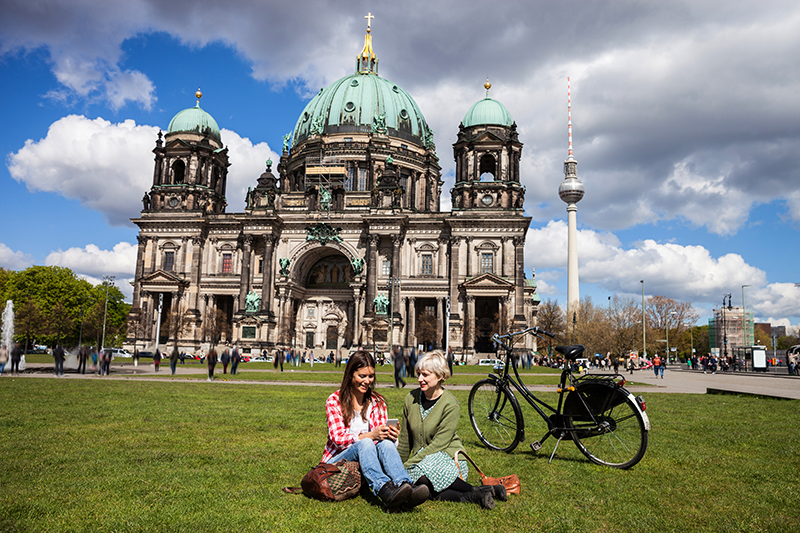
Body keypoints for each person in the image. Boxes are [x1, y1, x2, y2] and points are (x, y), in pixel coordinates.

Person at [397, 351, 504, 509]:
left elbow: (440, 443)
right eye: (418, 374)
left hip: (447, 459)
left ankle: (476, 491)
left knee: (422, 474)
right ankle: (478, 494)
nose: (419, 379)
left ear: (440, 375)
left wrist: (409, 465)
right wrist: (398, 466)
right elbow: (405, 440)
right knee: (421, 484)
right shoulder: (410, 398)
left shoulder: (451, 404)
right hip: (421, 461)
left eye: (425, 375)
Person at [322, 350, 428, 510]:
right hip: (337, 461)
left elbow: (381, 443)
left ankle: (405, 486)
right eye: (362, 376)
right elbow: (338, 439)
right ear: (351, 375)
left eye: (370, 376)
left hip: (368, 457)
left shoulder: (377, 402)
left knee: (385, 444)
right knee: (365, 443)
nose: (367, 381)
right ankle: (384, 489)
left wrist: (391, 436)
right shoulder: (335, 401)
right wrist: (369, 435)